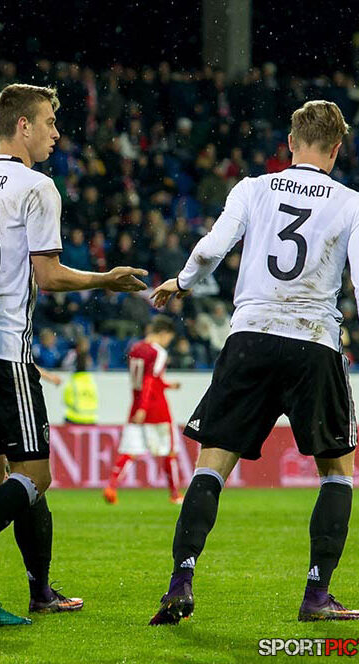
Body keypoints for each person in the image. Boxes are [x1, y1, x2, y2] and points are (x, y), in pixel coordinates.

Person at [0, 83, 147, 627]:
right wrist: (106, 279)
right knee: (34, 475)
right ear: (22, 125)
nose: (55, 134)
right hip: (1, 349)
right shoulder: (38, 187)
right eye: (48, 123)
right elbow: (49, 273)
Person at [149, 100, 359, 625]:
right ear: (337, 149)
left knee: (212, 466)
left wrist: (182, 282)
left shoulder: (252, 188)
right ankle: (316, 594)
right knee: (337, 473)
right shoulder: (351, 202)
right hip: (313, 339)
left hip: (251, 336)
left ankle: (181, 580)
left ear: (291, 142)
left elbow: (211, 247)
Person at [104, 315, 182, 505]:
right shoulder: (158, 352)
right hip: (155, 408)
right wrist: (145, 408)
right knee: (169, 452)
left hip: (136, 405)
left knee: (130, 450)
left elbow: (146, 380)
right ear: (164, 333)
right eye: (169, 338)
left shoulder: (136, 348)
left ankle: (111, 487)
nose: (168, 342)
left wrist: (167, 385)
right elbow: (149, 380)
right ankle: (175, 494)